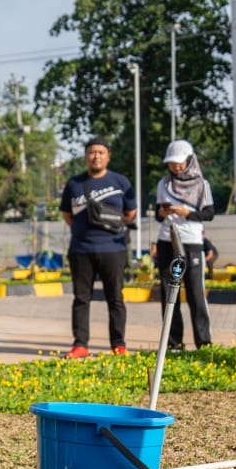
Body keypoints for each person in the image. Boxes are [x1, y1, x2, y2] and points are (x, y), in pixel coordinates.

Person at [59, 137, 137, 359]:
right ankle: (80, 344)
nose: (96, 156)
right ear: (86, 156)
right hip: (81, 250)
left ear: (108, 156)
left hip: (113, 249)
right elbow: (67, 215)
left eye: (101, 152)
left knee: (115, 298)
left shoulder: (121, 182)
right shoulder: (74, 184)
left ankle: (118, 345)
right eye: (92, 152)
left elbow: (130, 213)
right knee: (81, 299)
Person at [152, 139, 214, 352]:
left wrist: (188, 213)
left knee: (196, 294)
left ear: (189, 161)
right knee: (170, 293)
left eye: (179, 162)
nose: (176, 167)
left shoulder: (202, 185)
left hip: (191, 243)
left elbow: (209, 214)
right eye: (172, 163)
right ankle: (173, 343)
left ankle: (204, 343)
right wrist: (162, 213)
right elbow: (158, 215)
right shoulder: (164, 184)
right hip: (167, 242)